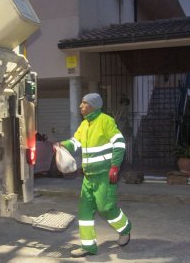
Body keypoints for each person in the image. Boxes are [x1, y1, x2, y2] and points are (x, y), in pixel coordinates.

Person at [58, 93, 131, 258]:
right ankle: (88, 246)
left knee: (106, 209)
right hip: (88, 177)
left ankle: (125, 228)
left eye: (83, 103)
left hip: (105, 175)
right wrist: (62, 144)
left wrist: (114, 166)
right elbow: (75, 143)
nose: (80, 106)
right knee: (84, 213)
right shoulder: (84, 125)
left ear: (92, 105)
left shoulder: (105, 121)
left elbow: (119, 143)